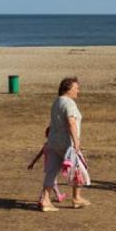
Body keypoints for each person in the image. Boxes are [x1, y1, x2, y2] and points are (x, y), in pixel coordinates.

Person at [41, 77, 90, 212]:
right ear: (68, 89)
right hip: (67, 144)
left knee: (51, 172)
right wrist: (76, 142)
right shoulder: (69, 103)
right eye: (76, 88)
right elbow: (71, 122)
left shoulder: (56, 102)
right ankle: (76, 198)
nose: (78, 91)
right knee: (78, 169)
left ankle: (45, 200)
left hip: (53, 142)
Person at [28, 127, 66, 206]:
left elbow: (39, 155)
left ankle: (58, 196)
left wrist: (33, 163)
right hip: (53, 166)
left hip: (47, 166)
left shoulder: (46, 145)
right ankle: (42, 198)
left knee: (52, 181)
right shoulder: (55, 146)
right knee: (49, 182)